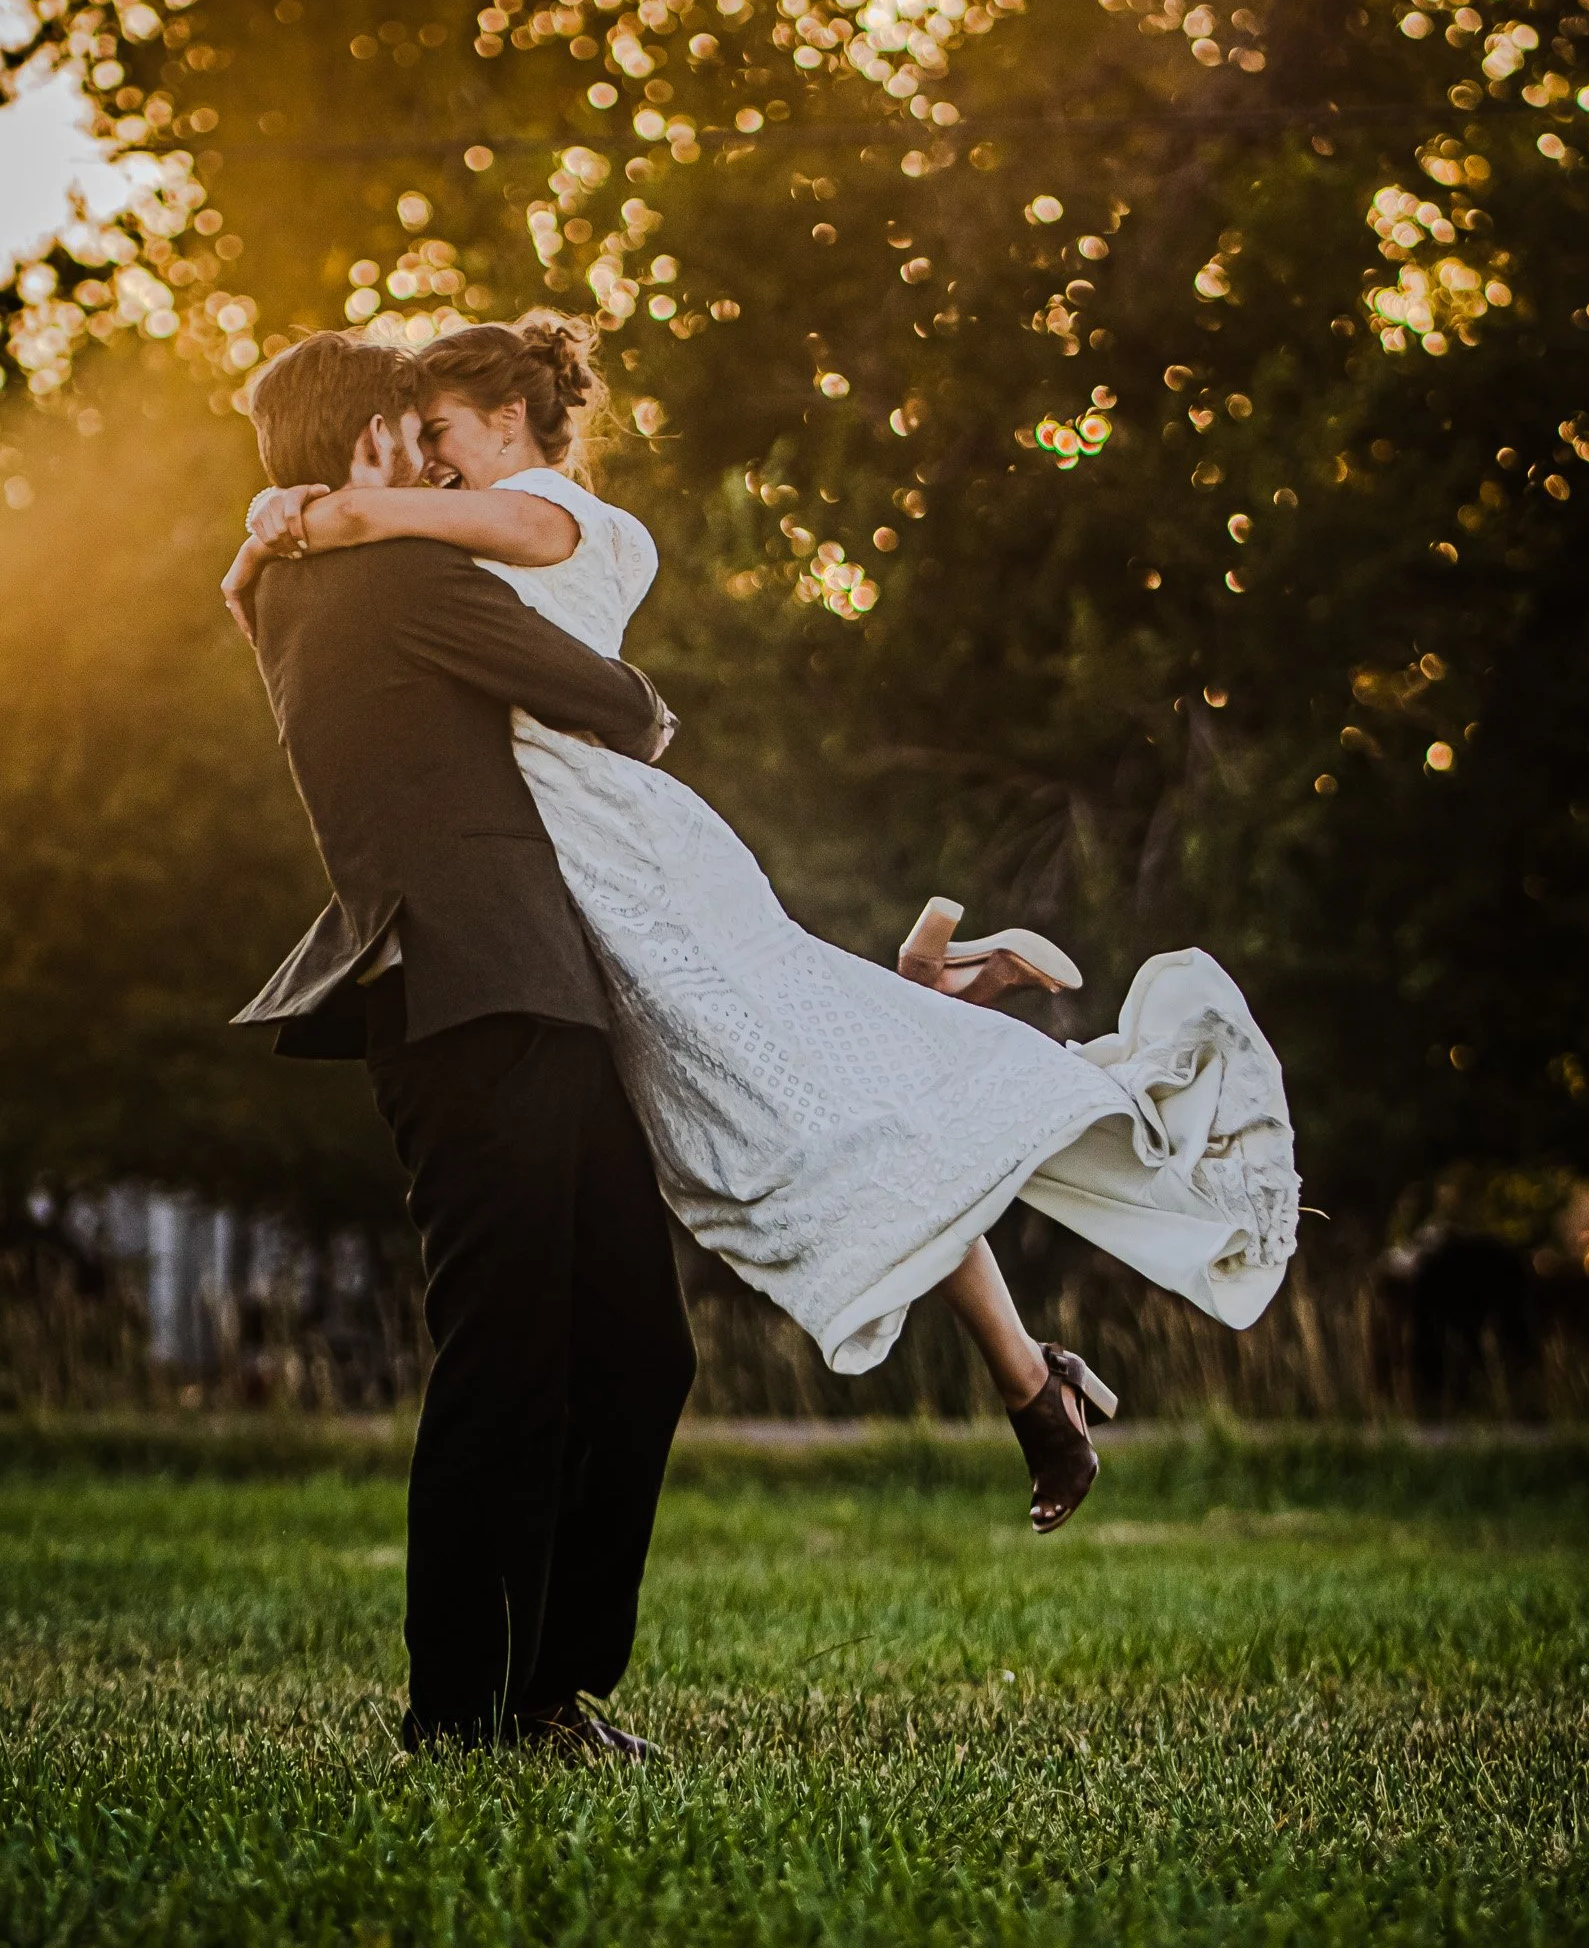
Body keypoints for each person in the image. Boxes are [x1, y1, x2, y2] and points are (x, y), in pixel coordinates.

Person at [227, 313, 1299, 1539]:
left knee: (820, 1087)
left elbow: (419, 556)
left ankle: (945, 1083)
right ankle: (1018, 1354)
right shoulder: (430, 553)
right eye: (412, 441)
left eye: (444, 435)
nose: (431, 463)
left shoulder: (543, 516)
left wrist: (298, 517)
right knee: (814, 1117)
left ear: (511, 422)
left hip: (612, 852)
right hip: (551, 887)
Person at [228, 331, 696, 1759]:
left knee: (629, 1344)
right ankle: (474, 1708)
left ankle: (544, 1689)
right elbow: (625, 708)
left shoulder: (287, 590)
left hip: (493, 993)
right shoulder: (395, 578)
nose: (428, 460)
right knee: (519, 1353)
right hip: (481, 990)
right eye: (405, 435)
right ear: (365, 445)